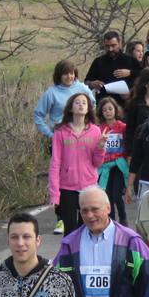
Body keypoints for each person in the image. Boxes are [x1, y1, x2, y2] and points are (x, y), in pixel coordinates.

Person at [48, 91, 105, 235]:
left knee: (86, 229)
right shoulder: (61, 132)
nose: (81, 105)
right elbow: (55, 162)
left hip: (89, 186)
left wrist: (100, 147)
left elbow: (97, 162)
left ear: (88, 108)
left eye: (84, 103)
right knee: (70, 231)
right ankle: (70, 257)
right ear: (71, 108)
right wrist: (54, 193)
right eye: (77, 103)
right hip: (67, 187)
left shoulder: (95, 131)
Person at [35, 60, 93, 142]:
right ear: (59, 75)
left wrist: (89, 125)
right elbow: (38, 115)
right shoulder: (51, 93)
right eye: (65, 74)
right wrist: (50, 135)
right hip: (60, 138)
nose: (69, 76)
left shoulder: (82, 88)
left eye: (71, 73)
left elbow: (93, 106)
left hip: (82, 137)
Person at [95, 97, 130, 223]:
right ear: (101, 113)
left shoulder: (123, 127)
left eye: (110, 109)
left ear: (115, 110)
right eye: (105, 110)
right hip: (105, 166)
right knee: (108, 196)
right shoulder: (99, 129)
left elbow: (127, 145)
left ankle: (123, 217)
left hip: (119, 165)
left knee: (116, 195)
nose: (108, 112)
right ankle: (112, 221)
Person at [85, 30, 141, 100]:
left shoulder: (130, 60)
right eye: (107, 46)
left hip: (126, 104)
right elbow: (86, 82)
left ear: (119, 43)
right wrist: (92, 84)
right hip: (103, 103)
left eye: (113, 45)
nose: (110, 49)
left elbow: (142, 76)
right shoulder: (98, 62)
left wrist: (130, 73)